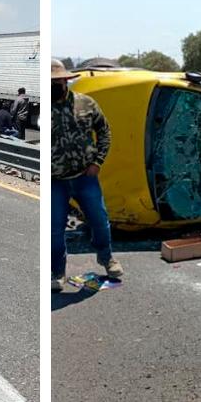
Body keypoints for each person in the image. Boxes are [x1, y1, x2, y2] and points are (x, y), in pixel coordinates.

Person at [51, 59, 123, 292]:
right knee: (54, 230)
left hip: (85, 177)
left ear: (65, 80)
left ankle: (107, 258)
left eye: (56, 80)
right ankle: (57, 272)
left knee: (99, 220)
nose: (53, 84)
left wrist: (97, 162)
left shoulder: (86, 103)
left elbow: (105, 133)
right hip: (56, 181)